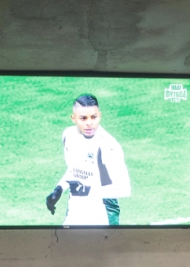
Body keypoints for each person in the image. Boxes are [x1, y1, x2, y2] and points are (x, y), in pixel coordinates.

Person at [45, 93, 131, 226]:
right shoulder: (69, 136)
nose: (89, 123)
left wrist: (88, 190)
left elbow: (124, 189)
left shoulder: (109, 146)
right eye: (83, 118)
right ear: (74, 118)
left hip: (103, 211)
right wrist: (60, 189)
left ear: (99, 116)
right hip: (76, 209)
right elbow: (75, 170)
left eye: (93, 117)